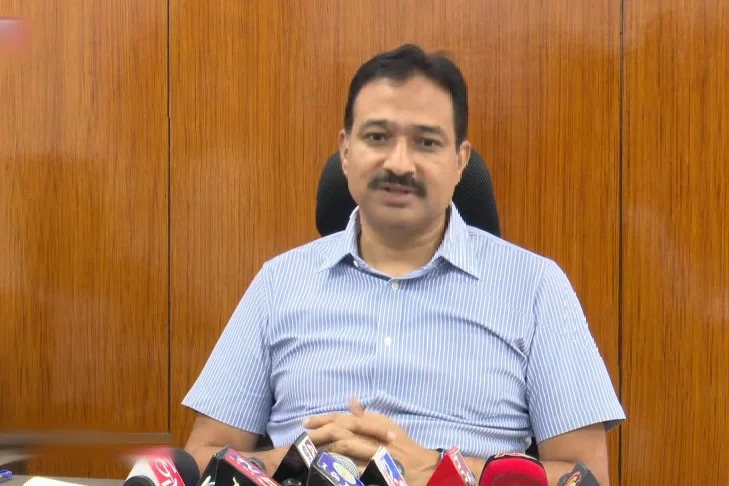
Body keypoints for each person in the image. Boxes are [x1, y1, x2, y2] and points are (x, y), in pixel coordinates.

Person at [181, 44, 625, 485]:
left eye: (426, 143)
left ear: (460, 161)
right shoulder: (278, 283)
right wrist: (305, 460)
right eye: (377, 137)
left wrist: (432, 469)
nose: (398, 163)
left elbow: (585, 476)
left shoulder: (535, 287)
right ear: (346, 151)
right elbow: (200, 458)